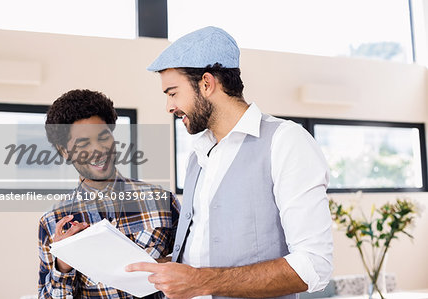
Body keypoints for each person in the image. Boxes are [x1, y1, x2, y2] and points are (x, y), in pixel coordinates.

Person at [126, 27, 333, 299]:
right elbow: (202, 250)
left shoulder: (286, 141)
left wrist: (201, 281)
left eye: (173, 93)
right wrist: (167, 270)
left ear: (207, 84)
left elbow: (314, 265)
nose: (169, 106)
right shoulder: (197, 155)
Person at [38, 89, 180, 298]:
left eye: (103, 137)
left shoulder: (163, 203)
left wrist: (165, 266)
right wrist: (63, 266)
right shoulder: (53, 222)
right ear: (64, 152)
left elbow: (195, 269)